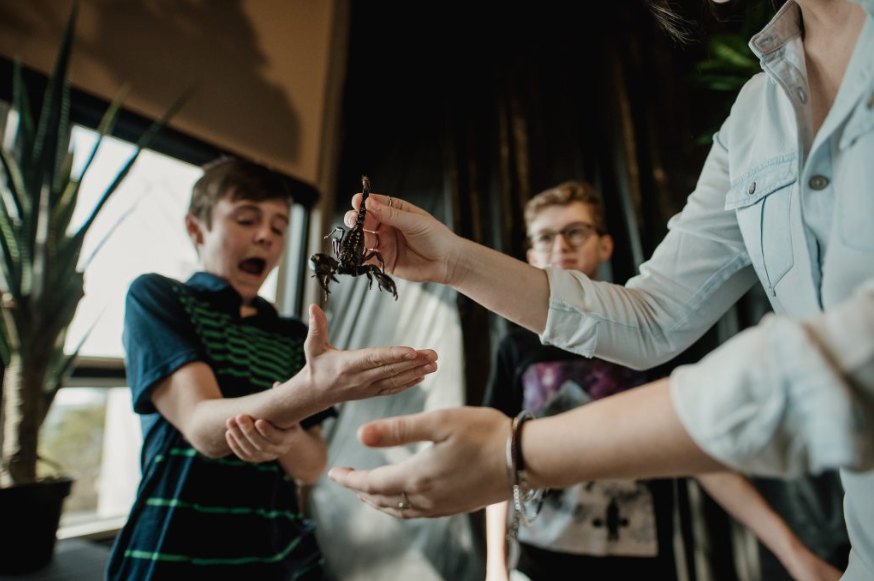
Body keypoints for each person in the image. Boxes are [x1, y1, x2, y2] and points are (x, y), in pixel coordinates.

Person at [326, 1, 874, 579]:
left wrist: (521, 454)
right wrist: (455, 262)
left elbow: (849, 354)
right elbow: (654, 316)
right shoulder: (754, 118)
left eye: (576, 232)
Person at [483, 181, 842, 581]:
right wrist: (496, 567)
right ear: (530, 254)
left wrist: (795, 556)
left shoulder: (645, 339)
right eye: (546, 236)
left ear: (605, 246)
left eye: (576, 231)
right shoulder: (515, 348)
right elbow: (500, 458)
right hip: (537, 567)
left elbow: (704, 453)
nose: (561, 246)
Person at [105, 157, 438, 580]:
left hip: (274, 556)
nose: (265, 236)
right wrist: (312, 391)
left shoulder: (293, 334)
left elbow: (312, 465)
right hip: (171, 548)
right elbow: (201, 424)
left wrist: (285, 432)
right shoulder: (160, 299)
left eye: (279, 227)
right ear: (196, 228)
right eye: (246, 219)